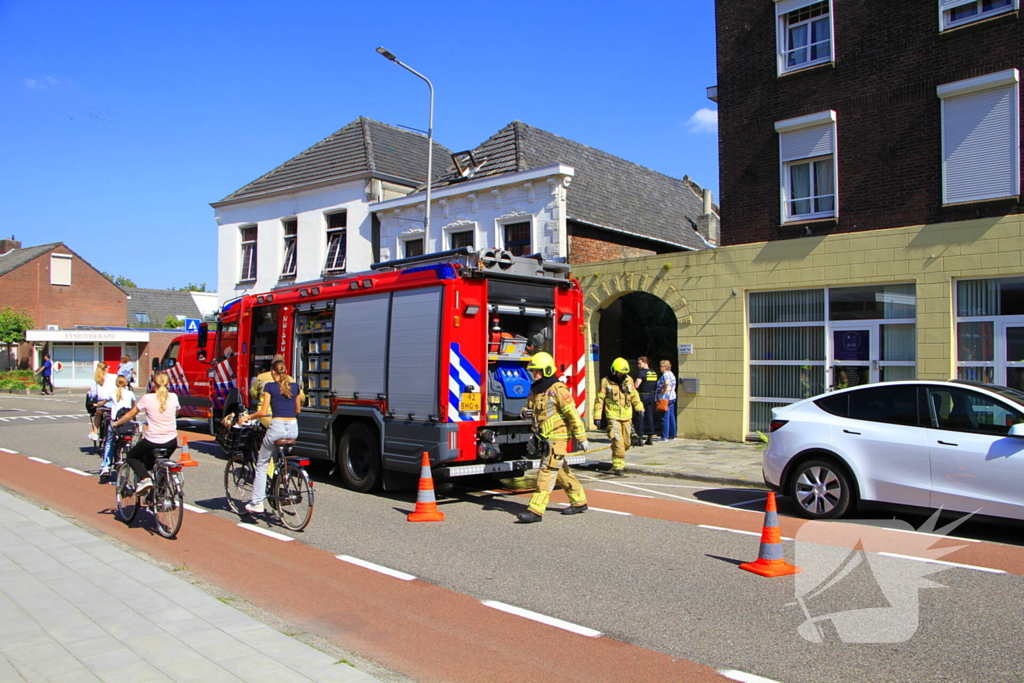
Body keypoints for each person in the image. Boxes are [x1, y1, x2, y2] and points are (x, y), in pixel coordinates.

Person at [516, 352, 589, 523]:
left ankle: (536, 510)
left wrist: (581, 437)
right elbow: (530, 410)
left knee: (546, 471)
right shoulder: (535, 390)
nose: (534, 374)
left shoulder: (558, 389)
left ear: (547, 370)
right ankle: (579, 501)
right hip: (543, 437)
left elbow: (572, 414)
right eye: (533, 371)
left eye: (537, 371)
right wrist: (524, 412)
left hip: (557, 438)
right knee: (561, 471)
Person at [239, 359, 301, 514]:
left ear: (273, 372)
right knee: (279, 456)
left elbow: (262, 411)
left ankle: (257, 503)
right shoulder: (295, 386)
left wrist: (247, 418)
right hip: (293, 428)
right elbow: (298, 409)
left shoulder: (270, 387)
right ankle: (283, 476)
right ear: (285, 371)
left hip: (277, 427)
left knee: (262, 464)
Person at [111, 372, 180, 497]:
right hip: (171, 441)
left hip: (152, 441)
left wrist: (116, 423)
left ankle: (145, 479)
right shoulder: (174, 397)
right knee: (162, 464)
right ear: (168, 383)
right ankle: (160, 498)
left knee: (131, 457)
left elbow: (130, 414)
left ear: (153, 383)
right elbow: (176, 412)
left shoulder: (148, 398)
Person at [593, 357, 643, 476]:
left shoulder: (629, 380)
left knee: (627, 442)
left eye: (624, 373)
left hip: (627, 417)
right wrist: (597, 416)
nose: (622, 375)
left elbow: (634, 396)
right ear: (614, 371)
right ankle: (618, 467)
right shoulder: (606, 381)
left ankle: (617, 453)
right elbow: (599, 399)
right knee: (618, 442)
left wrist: (639, 408)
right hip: (613, 416)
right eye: (620, 372)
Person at [99, 375, 136, 477]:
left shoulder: (112, 393)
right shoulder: (130, 393)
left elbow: (103, 402)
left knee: (109, 442)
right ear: (126, 383)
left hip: (116, 422)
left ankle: (105, 466)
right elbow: (134, 407)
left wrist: (97, 405)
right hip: (128, 423)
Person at [88, 361, 117, 441]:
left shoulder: (96, 379)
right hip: (113, 402)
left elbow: (93, 394)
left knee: (98, 414)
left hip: (102, 403)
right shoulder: (113, 377)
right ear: (106, 369)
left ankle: (94, 433)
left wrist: (89, 395)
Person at [633, 356, 658, 446]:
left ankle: (639, 437)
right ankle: (650, 437)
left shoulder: (642, 373)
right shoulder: (653, 373)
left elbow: (636, 385)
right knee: (650, 417)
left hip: (643, 396)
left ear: (645, 362)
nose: (638, 365)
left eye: (640, 363)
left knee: (640, 416)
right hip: (652, 396)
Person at [657, 359, 677, 441]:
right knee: (671, 416)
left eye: (661, 366)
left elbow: (667, 383)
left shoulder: (665, 375)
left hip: (665, 398)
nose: (660, 368)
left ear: (665, 367)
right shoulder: (672, 374)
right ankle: (673, 434)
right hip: (672, 396)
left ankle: (665, 435)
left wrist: (663, 390)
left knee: (665, 417)